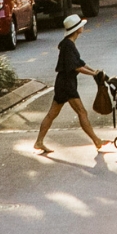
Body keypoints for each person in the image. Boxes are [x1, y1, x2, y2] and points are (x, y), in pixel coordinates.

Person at [33, 14, 106, 154]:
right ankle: (97, 141)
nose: (83, 27)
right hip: (66, 84)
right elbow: (76, 67)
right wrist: (93, 74)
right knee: (81, 112)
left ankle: (39, 142)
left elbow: (80, 62)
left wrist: (94, 70)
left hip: (64, 82)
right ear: (76, 29)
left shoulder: (69, 43)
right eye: (81, 26)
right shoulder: (68, 45)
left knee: (51, 114)